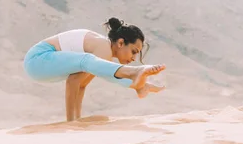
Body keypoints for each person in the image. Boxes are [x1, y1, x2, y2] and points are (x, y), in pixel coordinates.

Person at [23, 17, 166, 121]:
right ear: (121, 43)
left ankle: (139, 85)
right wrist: (71, 123)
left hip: (40, 65)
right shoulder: (103, 47)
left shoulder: (101, 56)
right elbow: (72, 82)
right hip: (38, 59)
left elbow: (81, 85)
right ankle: (136, 77)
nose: (133, 58)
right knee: (91, 62)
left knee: (100, 69)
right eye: (134, 51)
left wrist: (78, 120)